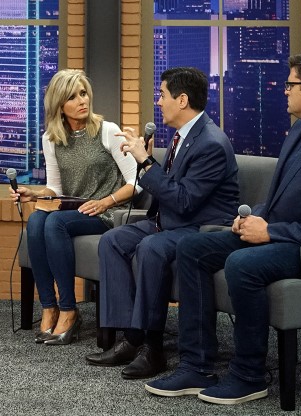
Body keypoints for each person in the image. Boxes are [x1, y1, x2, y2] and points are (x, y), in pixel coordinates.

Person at [145, 54, 301, 405]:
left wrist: (270, 232)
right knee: (192, 248)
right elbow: (281, 196)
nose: (284, 91)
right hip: (292, 230)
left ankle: (249, 375)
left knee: (243, 265)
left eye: (290, 85)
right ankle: (196, 364)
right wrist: (253, 216)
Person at [85, 67, 240, 379]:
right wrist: (147, 159)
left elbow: (185, 201)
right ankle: (130, 337)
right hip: (171, 221)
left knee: (151, 248)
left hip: (200, 228)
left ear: (182, 100)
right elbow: (170, 189)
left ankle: (152, 348)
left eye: (163, 95)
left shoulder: (210, 142)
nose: (158, 102)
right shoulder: (182, 137)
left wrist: (144, 161)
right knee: (113, 240)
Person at [10, 69, 138, 346]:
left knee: (54, 222)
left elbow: (135, 182)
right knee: (35, 221)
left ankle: (69, 309)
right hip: (74, 210)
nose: (82, 100)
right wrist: (33, 194)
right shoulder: (52, 138)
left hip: (106, 212)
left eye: (83, 93)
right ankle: (48, 306)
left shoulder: (107, 131)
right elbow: (56, 188)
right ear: (59, 105)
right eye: (73, 96)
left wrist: (106, 201)